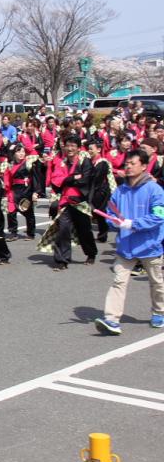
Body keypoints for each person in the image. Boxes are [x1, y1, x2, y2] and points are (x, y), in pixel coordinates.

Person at [94, 149, 164, 335]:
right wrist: (114, 222)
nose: (129, 167)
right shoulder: (120, 190)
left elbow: (159, 217)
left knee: (156, 282)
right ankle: (112, 319)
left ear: (143, 166)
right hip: (125, 246)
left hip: (150, 244)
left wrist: (134, 224)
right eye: (127, 164)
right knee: (118, 281)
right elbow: (110, 214)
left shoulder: (155, 190)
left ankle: (159, 311)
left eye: (133, 163)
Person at [37, 135, 98, 271]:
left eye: (73, 146)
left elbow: (85, 180)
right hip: (65, 201)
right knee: (63, 229)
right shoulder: (61, 161)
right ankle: (62, 260)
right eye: (67, 145)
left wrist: (68, 179)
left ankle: (91, 253)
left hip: (80, 201)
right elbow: (56, 181)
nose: (70, 148)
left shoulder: (85, 161)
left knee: (84, 230)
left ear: (78, 148)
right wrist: (72, 178)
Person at [86, 139, 116, 243]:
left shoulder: (103, 162)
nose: (89, 151)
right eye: (88, 149)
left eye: (91, 149)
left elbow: (98, 178)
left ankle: (102, 235)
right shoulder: (89, 161)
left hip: (101, 190)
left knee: (100, 214)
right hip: (92, 189)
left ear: (99, 149)